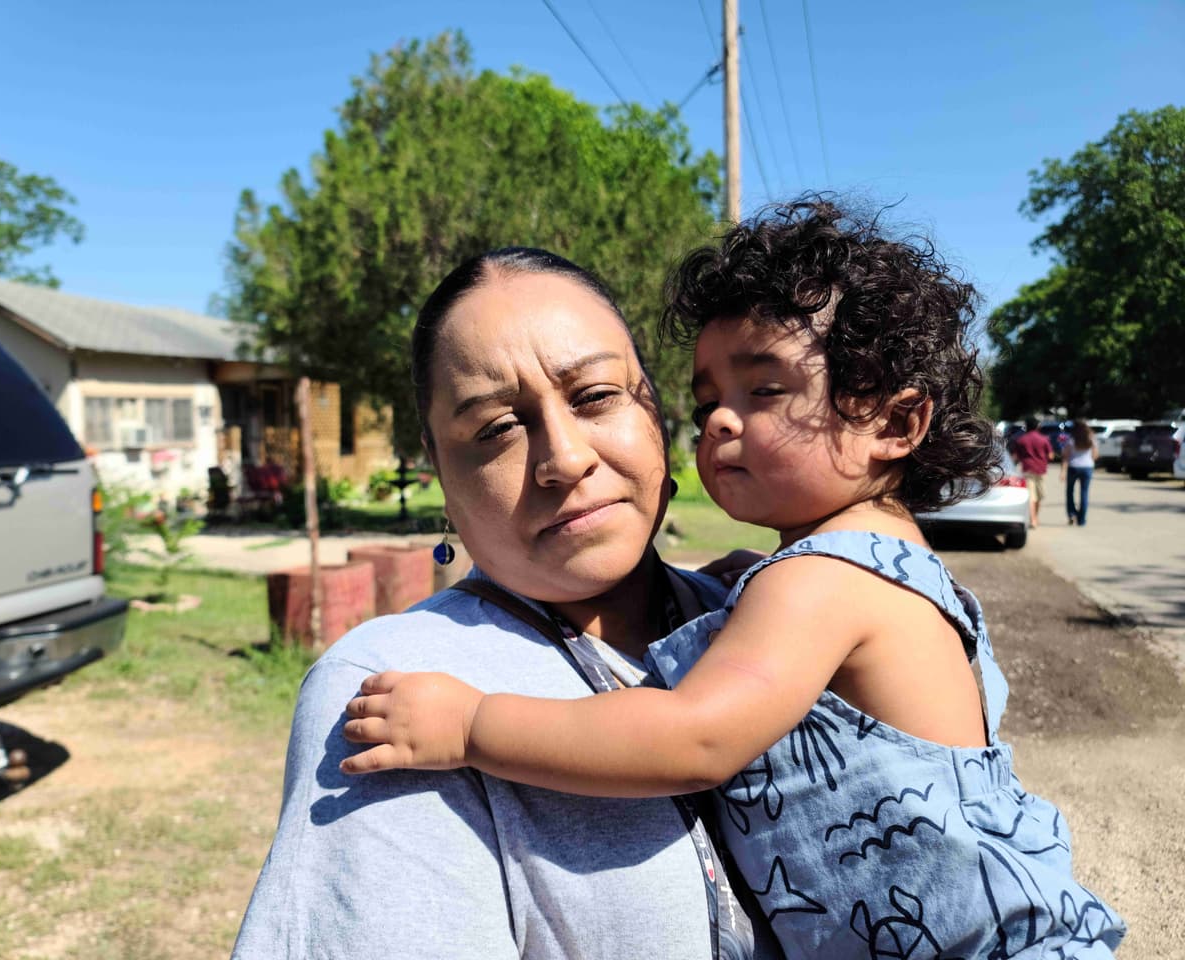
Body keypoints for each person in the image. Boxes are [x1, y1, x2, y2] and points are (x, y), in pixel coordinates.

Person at [342, 201, 1126, 958]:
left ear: (894, 422)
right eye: (708, 401)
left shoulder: (818, 584)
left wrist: (472, 725)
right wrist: (755, 587)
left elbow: (695, 736)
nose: (719, 420)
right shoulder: (866, 572)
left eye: (764, 391)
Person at [233, 247, 781, 959]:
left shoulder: (765, 618)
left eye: (595, 396)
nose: (565, 459)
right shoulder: (392, 693)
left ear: (655, 409)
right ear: (439, 469)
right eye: (496, 429)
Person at [1008, 416, 1053, 528]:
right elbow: (1050, 456)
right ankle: (1035, 518)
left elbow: (1016, 457)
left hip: (1027, 469)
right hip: (1041, 470)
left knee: (1031, 496)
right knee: (1038, 496)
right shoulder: (1044, 439)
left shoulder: (1021, 440)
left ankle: (1033, 519)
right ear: (1037, 426)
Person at [1061, 419, 1097, 526]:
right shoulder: (1091, 438)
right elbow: (1095, 454)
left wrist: (1063, 471)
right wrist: (1089, 461)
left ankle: (1072, 513)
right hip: (1087, 467)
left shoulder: (1071, 439)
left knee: (1070, 492)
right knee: (1084, 493)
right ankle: (1081, 520)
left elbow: (1066, 456)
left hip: (1073, 467)